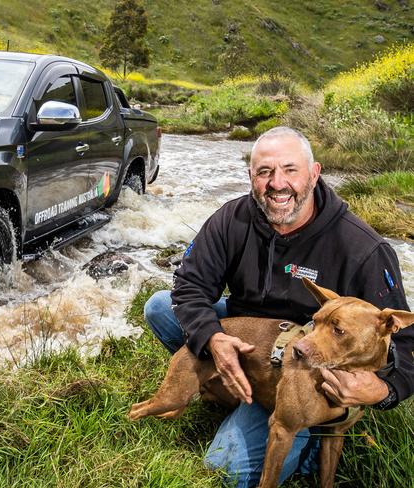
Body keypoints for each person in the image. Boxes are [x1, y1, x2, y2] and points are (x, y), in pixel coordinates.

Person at [144, 126, 413, 487]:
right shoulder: (231, 219)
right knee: (160, 307)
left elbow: (407, 345)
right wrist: (211, 339)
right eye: (265, 172)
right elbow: (189, 285)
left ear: (314, 174)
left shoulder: (363, 248)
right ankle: (228, 386)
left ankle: (294, 432)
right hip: (251, 336)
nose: (277, 184)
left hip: (303, 367)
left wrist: (383, 391)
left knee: (227, 472)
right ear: (251, 177)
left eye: (290, 170)